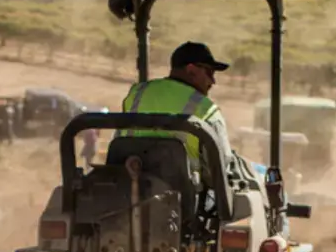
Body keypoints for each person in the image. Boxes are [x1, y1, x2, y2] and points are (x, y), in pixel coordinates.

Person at [114, 41, 283, 234]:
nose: (213, 81)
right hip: (183, 208)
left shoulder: (137, 94)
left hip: (122, 197)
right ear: (192, 70)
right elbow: (218, 172)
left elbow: (120, 138)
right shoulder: (205, 109)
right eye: (209, 73)